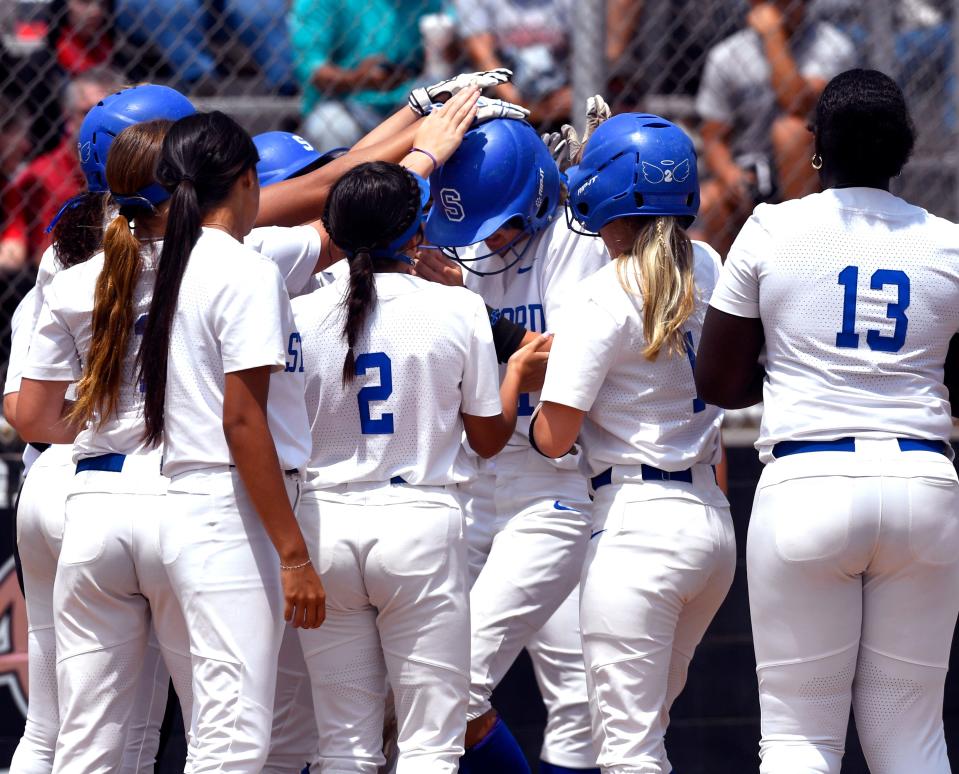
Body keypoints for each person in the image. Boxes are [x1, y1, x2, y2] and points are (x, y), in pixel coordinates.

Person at [695, 68, 959, 773]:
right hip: (922, 478)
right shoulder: (949, 243)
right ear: (905, 148)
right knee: (910, 737)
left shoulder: (772, 226)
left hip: (807, 480)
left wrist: (789, 362)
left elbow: (717, 382)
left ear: (816, 147)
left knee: (798, 739)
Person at [293, 132, 549, 774]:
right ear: (414, 235)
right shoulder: (457, 306)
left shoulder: (297, 312)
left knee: (344, 747)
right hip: (419, 526)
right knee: (430, 744)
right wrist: (516, 370)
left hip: (323, 526)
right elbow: (489, 441)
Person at [530, 111, 735, 773]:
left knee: (627, 750)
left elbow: (555, 439)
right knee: (646, 735)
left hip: (635, 529)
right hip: (709, 529)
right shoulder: (707, 260)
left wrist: (532, 381)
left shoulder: (600, 294)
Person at [7, 84, 197, 774]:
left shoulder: (71, 242)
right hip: (126, 484)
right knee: (132, 735)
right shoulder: (195, 249)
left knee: (52, 729)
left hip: (53, 482)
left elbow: (20, 410)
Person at [135, 109, 326, 772]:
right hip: (228, 512)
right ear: (247, 181)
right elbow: (243, 422)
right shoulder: (242, 269)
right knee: (235, 736)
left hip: (184, 504)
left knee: (234, 724)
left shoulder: (166, 262)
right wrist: (295, 555)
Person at [418, 117, 607, 773]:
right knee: (427, 688)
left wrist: (474, 317)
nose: (482, 241)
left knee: (577, 701)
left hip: (554, 487)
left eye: (495, 222)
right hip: (473, 485)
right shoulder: (467, 254)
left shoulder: (579, 243)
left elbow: (570, 358)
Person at [694, 0, 855, 255]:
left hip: (816, 176)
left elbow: (796, 102)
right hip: (751, 174)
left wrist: (773, 38)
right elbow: (713, 138)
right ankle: (724, 287)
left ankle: (801, 255)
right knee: (710, 199)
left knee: (791, 130)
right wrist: (730, 175)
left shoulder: (830, 46)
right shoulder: (727, 55)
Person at [0, 67, 123, 268]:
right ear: (68, 117)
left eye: (108, 113)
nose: (98, 122)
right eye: (86, 112)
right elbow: (46, 258)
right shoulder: (41, 176)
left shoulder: (135, 170)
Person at [289, 0, 440, 151]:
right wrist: (357, 79)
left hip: (408, 102)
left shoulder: (428, 3)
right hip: (346, 105)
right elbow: (314, 71)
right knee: (331, 126)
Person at [453, 0, 572, 127]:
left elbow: (585, 53)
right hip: (499, 97)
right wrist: (518, 104)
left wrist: (575, 94)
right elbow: (480, 52)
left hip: (558, 92)